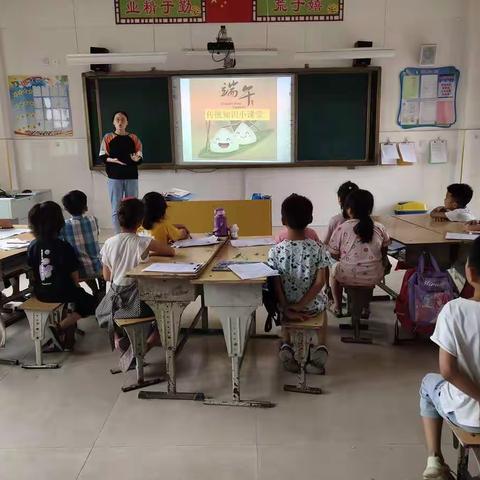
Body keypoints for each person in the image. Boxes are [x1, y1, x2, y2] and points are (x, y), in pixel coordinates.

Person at [419, 236, 480, 480]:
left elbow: (448, 371)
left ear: (470, 273)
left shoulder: (454, 310)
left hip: (468, 415)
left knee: (428, 384)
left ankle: (435, 461)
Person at [95, 198, 175, 370]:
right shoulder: (143, 242)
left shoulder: (108, 243)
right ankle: (141, 348)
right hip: (136, 302)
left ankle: (118, 341)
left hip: (113, 304)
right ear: (140, 221)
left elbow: (107, 276)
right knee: (168, 317)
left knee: (123, 315)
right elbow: (170, 251)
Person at [268, 194, 333, 374]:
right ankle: (321, 346)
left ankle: (286, 342)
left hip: (286, 307)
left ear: (282, 220)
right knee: (323, 308)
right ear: (310, 220)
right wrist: (301, 305)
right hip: (312, 306)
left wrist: (288, 306)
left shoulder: (275, 251)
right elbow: (320, 283)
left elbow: (276, 284)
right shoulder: (318, 249)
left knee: (284, 315)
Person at [27, 201, 96, 350]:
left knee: (73, 299)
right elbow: (75, 277)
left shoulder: (32, 246)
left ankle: (64, 337)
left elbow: (32, 269)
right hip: (63, 291)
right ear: (59, 223)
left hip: (41, 293)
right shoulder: (64, 246)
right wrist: (76, 289)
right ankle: (59, 327)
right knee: (91, 302)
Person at [327, 189, 390, 313]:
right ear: (370, 209)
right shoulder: (379, 227)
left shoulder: (342, 228)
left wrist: (345, 258)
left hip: (347, 275)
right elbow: (384, 249)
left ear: (349, 209)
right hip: (374, 276)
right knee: (372, 269)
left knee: (334, 271)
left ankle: (338, 306)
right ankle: (366, 306)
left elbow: (333, 254)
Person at [99, 111, 143, 233]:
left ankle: (132, 234)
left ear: (127, 122)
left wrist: (137, 159)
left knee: (132, 207)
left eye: (123, 119)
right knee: (116, 209)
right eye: (117, 119)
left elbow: (139, 156)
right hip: (114, 177)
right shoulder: (108, 137)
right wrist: (112, 160)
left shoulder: (134, 138)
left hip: (131, 177)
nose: (120, 122)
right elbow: (102, 156)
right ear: (113, 122)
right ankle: (119, 236)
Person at [324, 181, 359, 315]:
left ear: (339, 200)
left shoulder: (336, 221)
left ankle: (336, 303)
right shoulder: (370, 222)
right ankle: (365, 307)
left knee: (328, 259)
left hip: (343, 264)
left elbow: (326, 243)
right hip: (365, 264)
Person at [60, 190, 102, 289]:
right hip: (98, 266)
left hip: (79, 271)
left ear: (66, 209)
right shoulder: (93, 219)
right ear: (85, 207)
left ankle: (94, 289)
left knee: (76, 257)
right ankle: (99, 289)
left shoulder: (64, 226)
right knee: (92, 256)